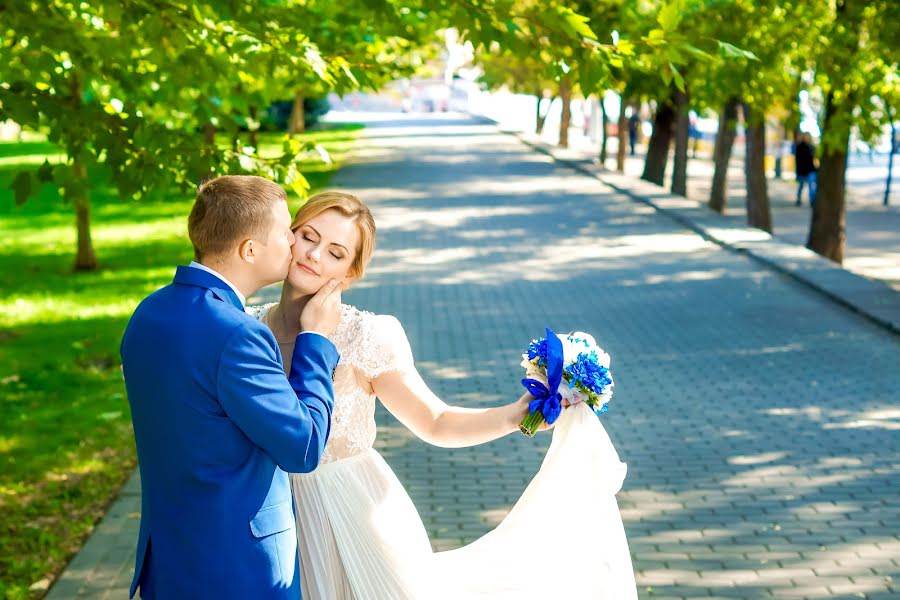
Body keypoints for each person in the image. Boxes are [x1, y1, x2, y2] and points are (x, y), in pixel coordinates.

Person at [251, 190, 637, 599]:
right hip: (262, 512)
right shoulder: (245, 327)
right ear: (288, 236)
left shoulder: (366, 335)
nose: (313, 255)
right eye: (308, 237)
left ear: (349, 273)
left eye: (335, 252)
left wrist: (515, 414)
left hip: (349, 515)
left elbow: (435, 422)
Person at [120, 176, 343, 599]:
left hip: (168, 561)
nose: (295, 245)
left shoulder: (148, 312)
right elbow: (304, 446)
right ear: (250, 250)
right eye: (285, 232)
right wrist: (317, 342)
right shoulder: (238, 334)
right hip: (239, 570)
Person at [794, 132, 818, 206]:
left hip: (810, 170)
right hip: (802, 170)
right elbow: (797, 160)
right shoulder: (800, 147)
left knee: (811, 186)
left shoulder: (812, 147)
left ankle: (812, 201)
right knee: (801, 186)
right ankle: (798, 199)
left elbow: (814, 159)